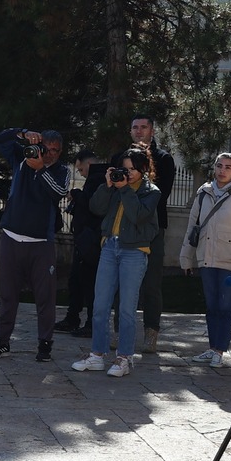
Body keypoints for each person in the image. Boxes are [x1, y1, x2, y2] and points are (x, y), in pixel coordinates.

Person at [72, 147, 161, 378]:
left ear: (143, 170)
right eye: (125, 169)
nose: (128, 174)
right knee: (100, 306)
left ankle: (124, 358)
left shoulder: (151, 192)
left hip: (134, 251)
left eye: (132, 169)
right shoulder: (114, 185)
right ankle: (97, 356)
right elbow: (96, 207)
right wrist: (107, 185)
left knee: (126, 309)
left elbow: (138, 215)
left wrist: (125, 190)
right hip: (110, 248)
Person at [0, 128, 71, 361]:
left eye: (55, 151)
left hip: (41, 243)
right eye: (46, 148)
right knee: (7, 296)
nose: (50, 154)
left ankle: (45, 344)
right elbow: (0, 138)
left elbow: (59, 192)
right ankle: (1, 341)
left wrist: (42, 170)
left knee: (46, 297)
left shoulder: (61, 170)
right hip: (11, 237)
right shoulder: (22, 157)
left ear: (60, 151)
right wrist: (23, 133)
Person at [178, 151, 231, 367]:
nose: (222, 171)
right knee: (212, 306)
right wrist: (186, 259)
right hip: (206, 259)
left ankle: (220, 350)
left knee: (226, 307)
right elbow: (192, 227)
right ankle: (212, 347)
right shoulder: (203, 193)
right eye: (219, 166)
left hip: (230, 262)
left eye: (227, 167)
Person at [110, 115, 175, 354]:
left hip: (152, 228)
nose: (139, 131)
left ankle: (151, 333)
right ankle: (118, 332)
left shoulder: (164, 159)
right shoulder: (120, 159)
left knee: (151, 283)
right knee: (119, 283)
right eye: (135, 127)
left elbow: (162, 195)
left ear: (152, 130)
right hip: (122, 228)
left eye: (144, 127)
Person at [58, 149, 105, 334]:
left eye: (80, 169)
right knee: (76, 280)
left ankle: (90, 323)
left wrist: (77, 195)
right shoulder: (98, 178)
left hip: (90, 240)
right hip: (86, 239)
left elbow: (93, 206)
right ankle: (73, 318)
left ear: (87, 164)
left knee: (87, 282)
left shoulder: (96, 178)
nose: (80, 173)